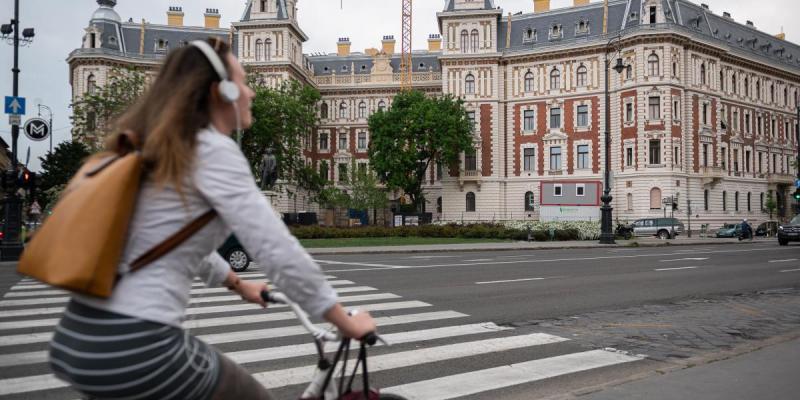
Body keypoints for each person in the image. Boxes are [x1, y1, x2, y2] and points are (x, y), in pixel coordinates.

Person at [47, 37, 376, 400]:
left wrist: (237, 283)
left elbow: (175, 238)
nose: (251, 93)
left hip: (78, 340)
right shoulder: (211, 150)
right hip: (138, 345)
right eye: (244, 82)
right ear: (223, 92)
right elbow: (276, 249)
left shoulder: (155, 148)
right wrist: (345, 320)